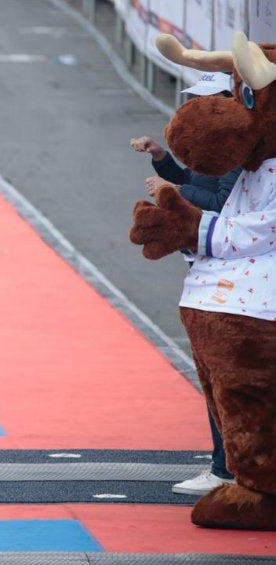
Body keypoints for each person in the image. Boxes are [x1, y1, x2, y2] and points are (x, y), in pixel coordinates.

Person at [129, 72, 242, 497]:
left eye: (200, 101)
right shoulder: (213, 149)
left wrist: (172, 189)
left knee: (226, 376)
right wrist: (162, 160)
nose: (189, 109)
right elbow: (197, 186)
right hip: (213, 271)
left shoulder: (233, 154)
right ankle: (227, 464)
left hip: (231, 277)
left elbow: (220, 204)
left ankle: (226, 469)